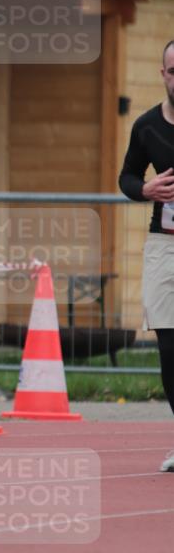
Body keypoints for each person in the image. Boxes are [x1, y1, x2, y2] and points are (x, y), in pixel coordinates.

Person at [119, 39, 174, 472]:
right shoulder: (147, 126)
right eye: (173, 71)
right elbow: (127, 175)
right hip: (166, 246)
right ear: (163, 74)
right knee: (170, 347)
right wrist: (144, 189)